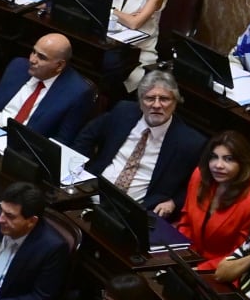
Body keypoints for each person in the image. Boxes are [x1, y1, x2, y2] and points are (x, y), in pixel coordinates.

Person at [85, 71, 200, 212]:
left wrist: (174, 202)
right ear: (140, 102)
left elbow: (197, 184)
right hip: (91, 192)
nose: (157, 105)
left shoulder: (190, 142)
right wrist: (77, 168)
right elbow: (87, 135)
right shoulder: (123, 111)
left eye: (164, 99)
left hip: (133, 213)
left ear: (175, 102)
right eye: (150, 98)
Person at [176, 131, 250, 272]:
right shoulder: (200, 175)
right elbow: (186, 219)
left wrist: (199, 269)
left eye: (228, 159)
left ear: (242, 163)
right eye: (214, 157)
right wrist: (183, 256)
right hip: (187, 255)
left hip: (220, 270)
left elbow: (238, 253)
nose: (218, 165)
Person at [0, 32, 97, 142]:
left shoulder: (78, 93)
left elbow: (63, 140)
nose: (32, 59)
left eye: (41, 57)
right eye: (33, 52)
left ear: (59, 65)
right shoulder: (18, 66)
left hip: (23, 149)